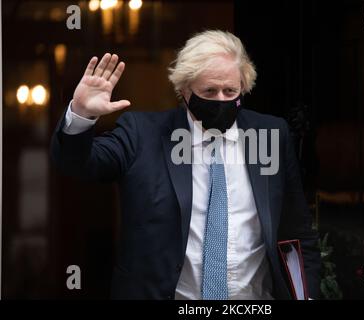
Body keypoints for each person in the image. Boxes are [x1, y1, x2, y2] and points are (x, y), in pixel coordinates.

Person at [50, 30, 321, 300]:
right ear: (184, 89)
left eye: (230, 91)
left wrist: (305, 294)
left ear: (243, 86)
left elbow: (296, 231)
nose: (221, 100)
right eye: (209, 91)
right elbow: (78, 165)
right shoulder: (141, 134)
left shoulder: (271, 135)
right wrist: (82, 115)